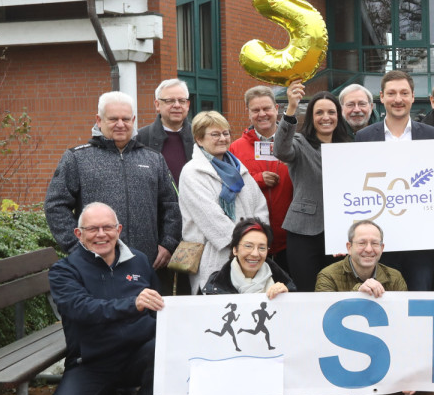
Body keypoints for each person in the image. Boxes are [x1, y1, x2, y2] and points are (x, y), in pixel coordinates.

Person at [47, 202, 165, 395]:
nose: (101, 234)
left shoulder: (140, 261)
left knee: (167, 347)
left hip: (138, 354)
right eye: (92, 229)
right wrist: (132, 304)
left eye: (107, 227)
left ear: (119, 229)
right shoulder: (64, 271)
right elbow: (81, 309)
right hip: (92, 360)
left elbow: (158, 307)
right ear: (78, 234)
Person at [45, 91, 180, 277]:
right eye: (113, 119)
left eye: (125, 119)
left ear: (133, 120)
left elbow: (171, 205)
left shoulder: (154, 159)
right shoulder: (77, 159)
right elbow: (55, 206)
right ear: (99, 120)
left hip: (147, 264)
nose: (120, 124)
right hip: (96, 267)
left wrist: (168, 243)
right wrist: (78, 247)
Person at [354, 70, 434, 298]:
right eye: (392, 93)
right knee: (382, 301)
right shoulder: (364, 138)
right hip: (380, 242)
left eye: (404, 93)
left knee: (421, 300)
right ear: (382, 97)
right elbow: (357, 188)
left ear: (413, 97)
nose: (398, 99)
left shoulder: (432, 136)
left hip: (421, 243)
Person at [202, 218, 295, 395]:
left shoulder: (281, 280)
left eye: (262, 247)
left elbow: (294, 326)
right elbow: (205, 340)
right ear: (234, 249)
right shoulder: (214, 285)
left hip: (270, 351)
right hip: (233, 356)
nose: (255, 253)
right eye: (248, 246)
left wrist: (287, 296)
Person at [315, 219, 409, 395]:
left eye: (375, 243)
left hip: (376, 348)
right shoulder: (327, 275)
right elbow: (322, 315)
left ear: (382, 248)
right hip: (339, 348)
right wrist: (358, 293)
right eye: (362, 243)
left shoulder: (394, 277)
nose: (369, 249)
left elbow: (404, 324)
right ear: (348, 247)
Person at [274, 80, 352, 295]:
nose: (325, 117)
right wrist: (291, 108)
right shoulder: (299, 143)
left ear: (339, 115)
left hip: (340, 233)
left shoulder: (349, 148)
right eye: (319, 113)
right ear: (311, 117)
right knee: (307, 292)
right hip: (303, 232)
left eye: (331, 112)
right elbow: (280, 150)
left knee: (335, 291)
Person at [178, 112, 269, 295]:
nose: (222, 138)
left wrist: (256, 242)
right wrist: (247, 245)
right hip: (214, 258)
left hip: (249, 258)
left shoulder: (238, 168)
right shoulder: (192, 172)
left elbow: (260, 206)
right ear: (199, 139)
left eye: (226, 133)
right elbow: (211, 218)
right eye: (215, 134)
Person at [229, 86, 293, 272]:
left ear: (276, 109)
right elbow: (228, 186)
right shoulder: (235, 148)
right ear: (248, 113)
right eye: (256, 110)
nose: (262, 114)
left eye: (266, 108)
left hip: (290, 240)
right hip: (251, 243)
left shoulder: (294, 142)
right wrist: (257, 180)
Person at [135, 78, 194, 186]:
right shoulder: (140, 138)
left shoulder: (200, 136)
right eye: (170, 101)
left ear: (187, 105)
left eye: (181, 101)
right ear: (157, 105)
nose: (177, 105)